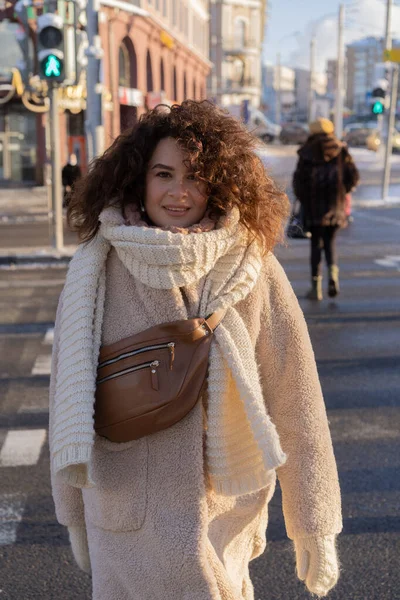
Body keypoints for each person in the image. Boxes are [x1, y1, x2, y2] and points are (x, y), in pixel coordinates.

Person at [49, 101, 342, 600]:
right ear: (138, 179)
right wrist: (73, 514)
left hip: (220, 514)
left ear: (221, 184)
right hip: (123, 516)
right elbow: (67, 394)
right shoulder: (96, 268)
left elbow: (295, 396)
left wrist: (314, 521)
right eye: (164, 174)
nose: (178, 192)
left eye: (197, 176)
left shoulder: (251, 266)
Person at [292, 118, 359, 301]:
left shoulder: (306, 153)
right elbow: (353, 176)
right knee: (331, 243)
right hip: (335, 206)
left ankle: (316, 289)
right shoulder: (340, 150)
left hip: (313, 208)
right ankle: (334, 277)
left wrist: (304, 199)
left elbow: (298, 182)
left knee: (316, 245)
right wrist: (342, 191)